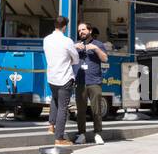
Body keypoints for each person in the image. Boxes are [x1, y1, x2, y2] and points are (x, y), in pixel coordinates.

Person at [42, 15, 80, 145]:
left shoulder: (46, 39)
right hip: (64, 77)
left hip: (52, 76)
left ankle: (51, 126)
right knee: (63, 107)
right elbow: (76, 59)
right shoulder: (67, 41)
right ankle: (59, 138)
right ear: (64, 27)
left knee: (55, 100)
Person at [74, 23, 109, 144]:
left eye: (83, 30)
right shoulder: (77, 45)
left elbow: (105, 58)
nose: (81, 32)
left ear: (90, 30)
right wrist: (73, 48)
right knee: (80, 110)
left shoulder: (98, 44)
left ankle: (98, 133)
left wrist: (95, 49)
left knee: (96, 110)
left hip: (94, 81)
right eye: (79, 31)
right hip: (80, 82)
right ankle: (81, 134)